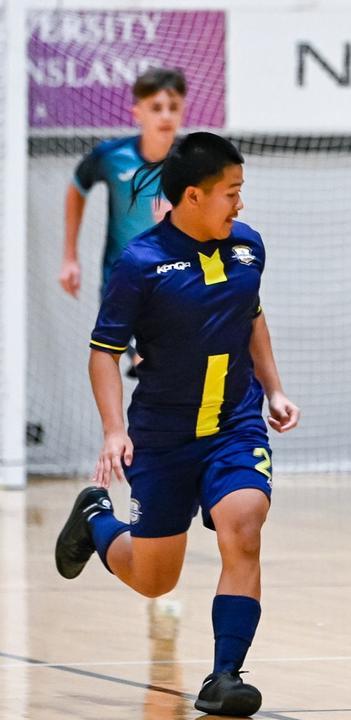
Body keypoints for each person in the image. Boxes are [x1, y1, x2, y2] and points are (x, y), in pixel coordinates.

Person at [53, 132, 300, 717]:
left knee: (244, 522)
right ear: (193, 196)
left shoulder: (249, 248)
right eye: (231, 193)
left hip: (234, 424)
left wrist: (274, 387)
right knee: (154, 580)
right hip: (163, 438)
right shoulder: (139, 264)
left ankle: (224, 677)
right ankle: (96, 522)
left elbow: (252, 317)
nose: (240, 204)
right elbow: (103, 352)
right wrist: (116, 430)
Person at [60, 67, 186, 376]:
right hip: (123, 279)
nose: (166, 116)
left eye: (174, 107)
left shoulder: (193, 159)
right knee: (146, 362)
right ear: (137, 113)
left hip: (178, 279)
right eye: (156, 108)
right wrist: (69, 257)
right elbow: (77, 188)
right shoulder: (111, 155)